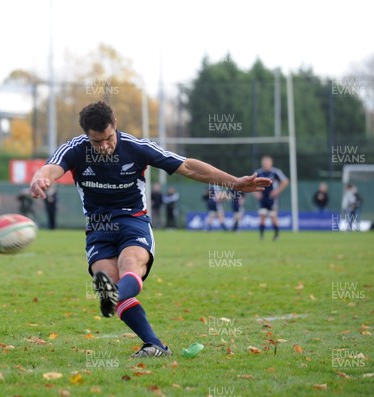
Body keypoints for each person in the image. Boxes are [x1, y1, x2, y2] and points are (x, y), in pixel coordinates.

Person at [28, 101, 270, 358]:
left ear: (115, 125)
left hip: (133, 221)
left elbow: (186, 166)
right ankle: (154, 345)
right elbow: (50, 168)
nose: (104, 146)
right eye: (97, 142)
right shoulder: (75, 149)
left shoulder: (136, 147)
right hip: (98, 229)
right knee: (106, 280)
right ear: (87, 135)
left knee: (129, 265)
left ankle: (116, 296)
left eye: (108, 138)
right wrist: (39, 179)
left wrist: (233, 183)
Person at [254, 156, 289, 240]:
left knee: (273, 217)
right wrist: (256, 193)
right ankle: (261, 236)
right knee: (262, 216)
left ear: (271, 163)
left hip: (272, 199)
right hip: (262, 199)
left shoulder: (275, 172)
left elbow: (285, 181)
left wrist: (277, 191)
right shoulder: (258, 173)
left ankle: (276, 235)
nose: (265, 164)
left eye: (267, 163)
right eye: (264, 163)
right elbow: (251, 183)